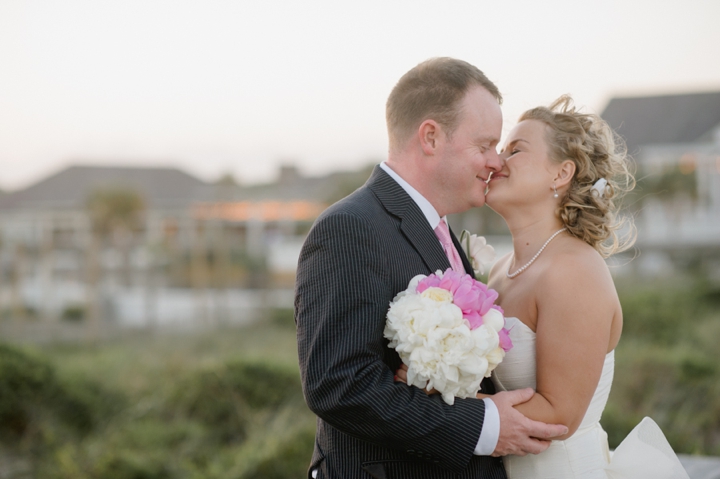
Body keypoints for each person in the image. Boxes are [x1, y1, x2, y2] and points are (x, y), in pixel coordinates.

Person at [295, 57, 568, 479]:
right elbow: (340, 385)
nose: (496, 162)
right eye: (484, 145)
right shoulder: (350, 228)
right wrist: (482, 426)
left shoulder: (439, 229)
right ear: (430, 137)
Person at [478, 96, 688, 478]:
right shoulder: (500, 270)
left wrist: (435, 402)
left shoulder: (574, 270)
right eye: (500, 149)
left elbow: (559, 414)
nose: (497, 160)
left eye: (516, 149)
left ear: (560, 174)